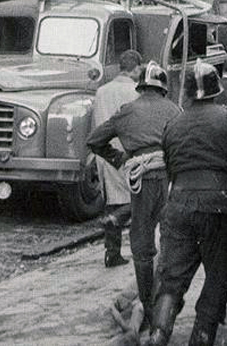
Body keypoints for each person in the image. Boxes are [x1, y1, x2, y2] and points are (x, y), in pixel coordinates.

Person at [148, 60, 227, 346]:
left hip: (178, 206)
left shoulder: (173, 124)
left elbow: (170, 168)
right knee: (218, 278)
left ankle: (159, 333)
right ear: (215, 90)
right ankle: (201, 337)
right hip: (218, 208)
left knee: (172, 277)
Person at [87, 61, 181, 326]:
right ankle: (167, 304)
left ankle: (149, 312)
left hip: (140, 181)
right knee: (172, 241)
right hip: (169, 179)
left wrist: (119, 158)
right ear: (162, 88)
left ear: (141, 87)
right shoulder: (174, 109)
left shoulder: (126, 111)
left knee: (141, 246)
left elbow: (94, 140)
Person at [91, 49, 142, 267]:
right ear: (136, 68)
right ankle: (139, 247)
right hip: (126, 153)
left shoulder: (101, 91)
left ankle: (112, 252)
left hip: (104, 153)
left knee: (111, 201)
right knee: (138, 199)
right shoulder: (136, 91)